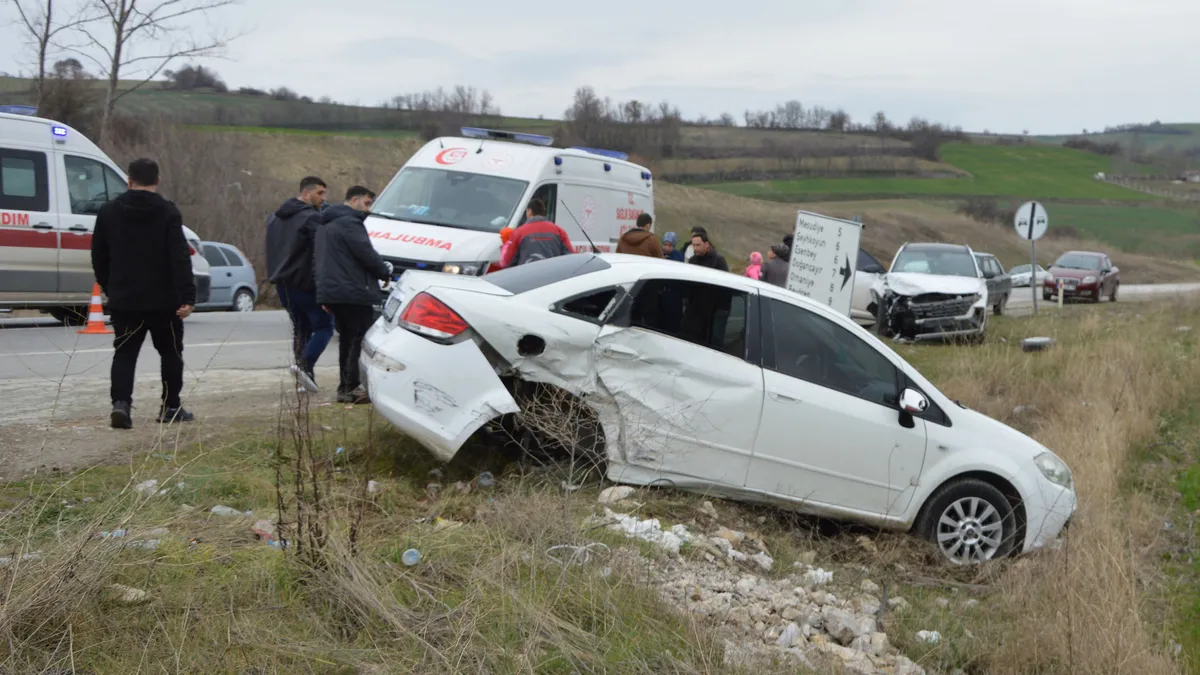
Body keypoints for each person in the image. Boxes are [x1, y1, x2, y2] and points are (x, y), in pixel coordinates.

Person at [91, 158, 196, 429]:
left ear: (129, 180)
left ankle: (121, 405)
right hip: (164, 300)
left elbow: (99, 256)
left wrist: (108, 286)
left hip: (125, 299)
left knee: (125, 353)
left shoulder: (108, 212)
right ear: (157, 180)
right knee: (171, 352)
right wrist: (187, 296)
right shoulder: (168, 212)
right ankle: (171, 405)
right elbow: (179, 256)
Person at [315, 186, 393, 404]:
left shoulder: (325, 224)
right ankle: (350, 387)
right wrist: (384, 271)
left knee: (347, 340)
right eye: (367, 204)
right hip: (353, 290)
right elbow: (365, 253)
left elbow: (319, 261)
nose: (368, 209)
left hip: (335, 290)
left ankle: (346, 386)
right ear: (355, 200)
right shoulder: (350, 223)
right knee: (356, 339)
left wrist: (324, 294)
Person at [267, 176, 330, 392]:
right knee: (324, 327)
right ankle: (304, 366)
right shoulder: (312, 219)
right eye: (320, 193)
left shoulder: (275, 218)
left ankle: (303, 380)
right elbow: (320, 255)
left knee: (301, 329)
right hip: (305, 283)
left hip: (283, 283)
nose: (323, 198)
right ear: (306, 193)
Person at [500, 198, 572, 267]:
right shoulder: (559, 231)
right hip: (552, 276)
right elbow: (570, 257)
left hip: (526, 276)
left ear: (529, 211)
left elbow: (506, 262)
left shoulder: (518, 232)